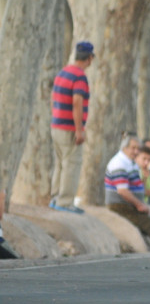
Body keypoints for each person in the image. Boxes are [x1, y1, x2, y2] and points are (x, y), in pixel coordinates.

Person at [50, 41, 94, 214]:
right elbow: (77, 102)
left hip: (56, 125)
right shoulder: (79, 76)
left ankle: (55, 198)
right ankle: (65, 202)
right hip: (69, 127)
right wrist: (79, 129)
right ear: (89, 58)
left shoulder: (63, 72)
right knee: (72, 164)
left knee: (60, 163)